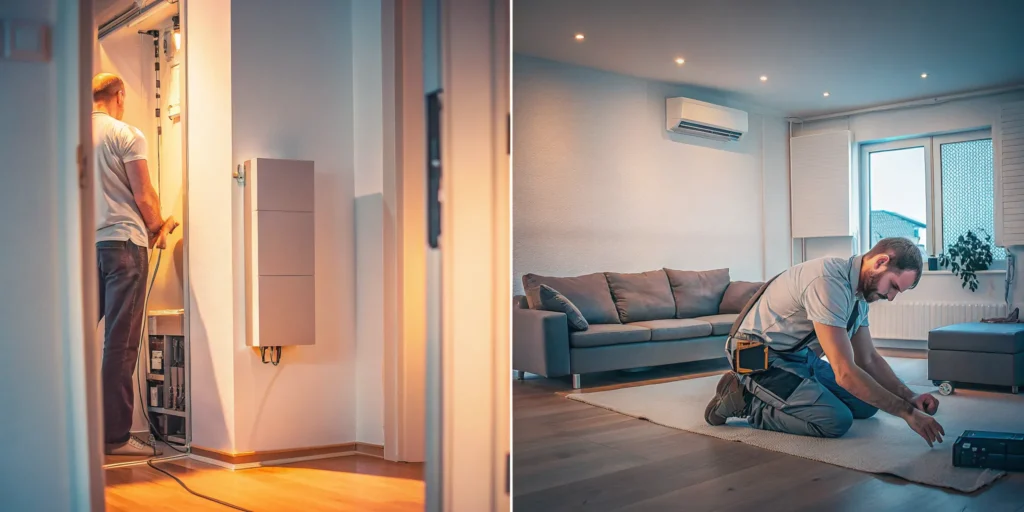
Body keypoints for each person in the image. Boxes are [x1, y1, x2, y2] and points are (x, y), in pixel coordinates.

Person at [704, 237, 946, 447]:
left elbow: (868, 359)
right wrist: (907, 414)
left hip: (797, 356)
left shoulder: (859, 297)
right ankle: (746, 401)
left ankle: (778, 394)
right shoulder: (828, 281)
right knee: (835, 420)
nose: (891, 297)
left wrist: (909, 396)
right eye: (893, 286)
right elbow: (845, 373)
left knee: (867, 406)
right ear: (880, 262)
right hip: (754, 355)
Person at [93, 72, 178, 456]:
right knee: (121, 345)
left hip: (86, 247)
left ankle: (78, 433)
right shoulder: (126, 134)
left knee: (74, 341)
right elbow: (143, 194)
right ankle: (115, 439)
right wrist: (161, 225)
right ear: (120, 94)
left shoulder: (74, 136)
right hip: (125, 246)